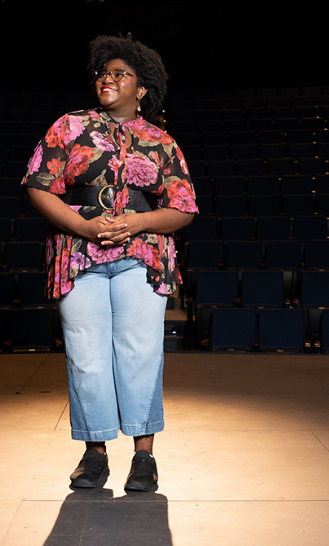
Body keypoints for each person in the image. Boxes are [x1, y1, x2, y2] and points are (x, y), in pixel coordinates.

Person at [22, 34, 198, 492]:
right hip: (78, 254)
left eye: (121, 74)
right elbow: (39, 185)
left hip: (141, 255)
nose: (109, 78)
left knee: (139, 353)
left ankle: (144, 459)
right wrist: (82, 228)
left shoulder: (161, 142)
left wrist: (139, 222)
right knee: (87, 355)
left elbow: (183, 207)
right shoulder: (70, 126)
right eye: (104, 72)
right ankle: (95, 454)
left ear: (142, 89)